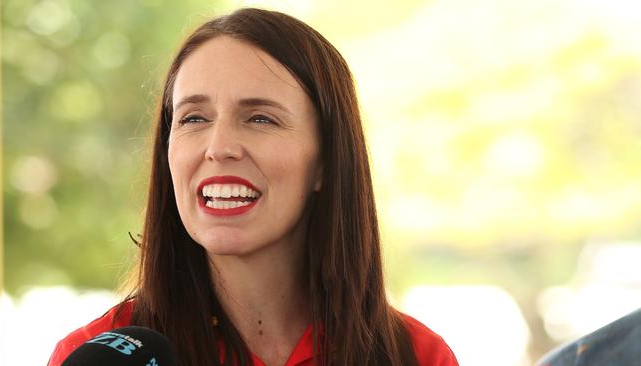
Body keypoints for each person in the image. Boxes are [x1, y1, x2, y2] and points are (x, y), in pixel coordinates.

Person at [47, 8, 458, 366]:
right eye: (193, 118)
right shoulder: (95, 356)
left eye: (261, 118)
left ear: (327, 163)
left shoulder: (419, 357)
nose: (219, 148)